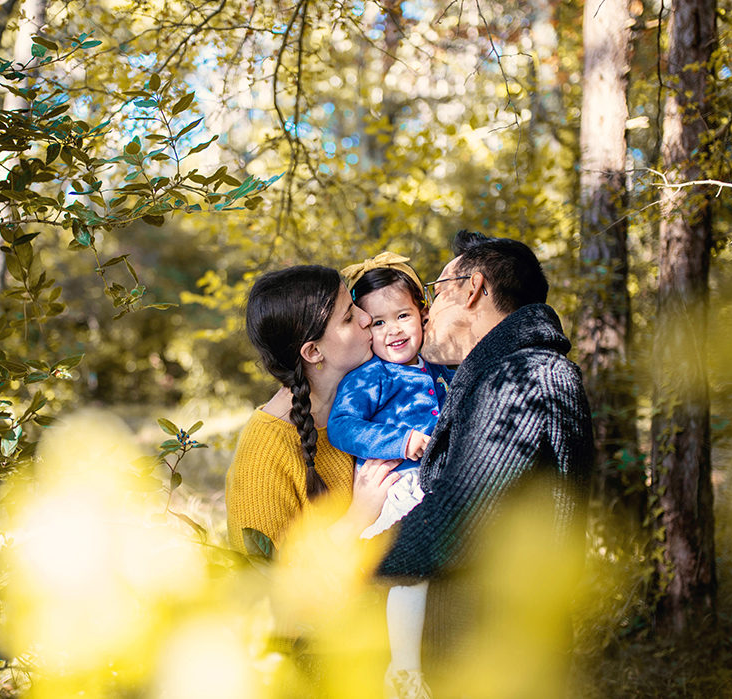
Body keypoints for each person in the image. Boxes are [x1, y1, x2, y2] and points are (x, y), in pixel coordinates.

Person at [375, 231, 594, 688]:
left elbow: (459, 513)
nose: (425, 311)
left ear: (471, 288)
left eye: (433, 293)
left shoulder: (527, 375)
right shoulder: (498, 375)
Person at [326, 253, 453, 699]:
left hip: (441, 479)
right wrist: (399, 442)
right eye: (377, 323)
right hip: (402, 482)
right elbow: (343, 427)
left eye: (401, 315)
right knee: (410, 571)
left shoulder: (440, 368)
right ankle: (404, 670)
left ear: (422, 311)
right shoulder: (370, 377)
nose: (393, 330)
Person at [225, 264, 400, 557]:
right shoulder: (264, 452)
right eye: (348, 317)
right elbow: (266, 581)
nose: (367, 318)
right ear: (313, 352)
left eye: (356, 305)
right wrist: (358, 516)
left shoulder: (366, 401)